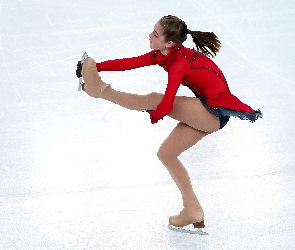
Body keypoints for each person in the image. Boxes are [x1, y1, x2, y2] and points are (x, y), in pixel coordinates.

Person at [76, 15, 262, 230]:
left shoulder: (179, 62)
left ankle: (100, 91)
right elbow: (130, 63)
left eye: (155, 34)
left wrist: (154, 114)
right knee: (166, 154)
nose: (150, 35)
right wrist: (94, 67)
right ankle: (193, 210)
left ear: (169, 43)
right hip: (207, 112)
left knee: (154, 99)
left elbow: (165, 104)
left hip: (213, 113)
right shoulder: (163, 53)